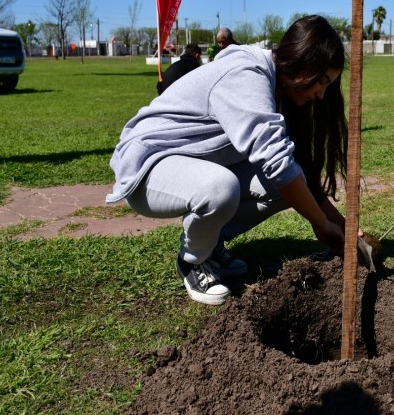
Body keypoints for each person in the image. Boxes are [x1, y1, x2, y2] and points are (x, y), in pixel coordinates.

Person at [107, 15, 349, 305]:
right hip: (149, 168)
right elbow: (276, 162)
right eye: (321, 81)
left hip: (194, 165)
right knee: (222, 188)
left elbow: (293, 169)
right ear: (303, 61)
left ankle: (210, 243)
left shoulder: (280, 86)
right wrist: (321, 224)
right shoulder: (249, 73)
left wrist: (342, 228)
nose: (321, 94)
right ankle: (193, 260)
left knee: (292, 181)